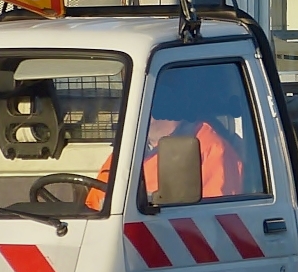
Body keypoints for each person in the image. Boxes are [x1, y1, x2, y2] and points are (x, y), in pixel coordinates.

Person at [85, 67, 244, 210]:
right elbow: (93, 206)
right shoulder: (130, 148)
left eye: (139, 94)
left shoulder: (211, 148)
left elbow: (214, 220)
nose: (126, 105)